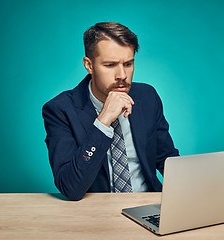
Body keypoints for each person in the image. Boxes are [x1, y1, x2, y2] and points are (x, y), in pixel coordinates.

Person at [42, 22, 179, 201]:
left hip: (147, 205)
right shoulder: (59, 110)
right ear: (89, 65)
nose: (122, 75)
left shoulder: (147, 96)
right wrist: (103, 121)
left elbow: (167, 159)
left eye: (128, 64)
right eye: (110, 65)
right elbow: (70, 187)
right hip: (96, 214)